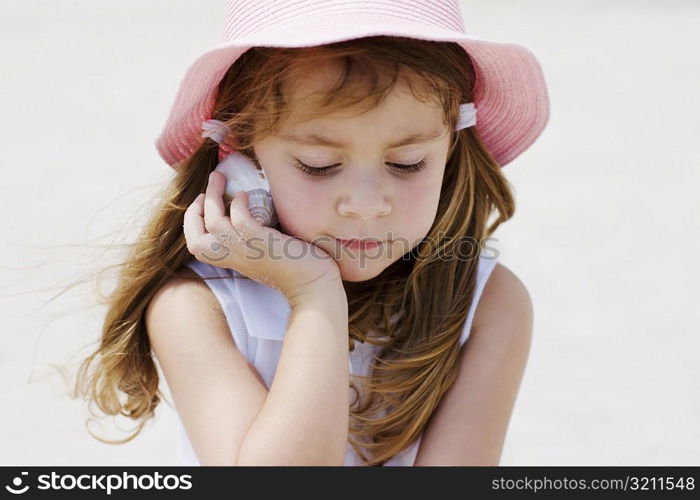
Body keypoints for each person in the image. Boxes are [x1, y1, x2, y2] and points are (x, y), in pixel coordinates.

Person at [75, 0, 550, 466]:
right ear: (246, 160)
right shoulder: (196, 305)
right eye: (319, 165)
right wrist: (315, 296)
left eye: (407, 163)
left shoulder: (490, 304)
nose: (365, 206)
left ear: (450, 146)